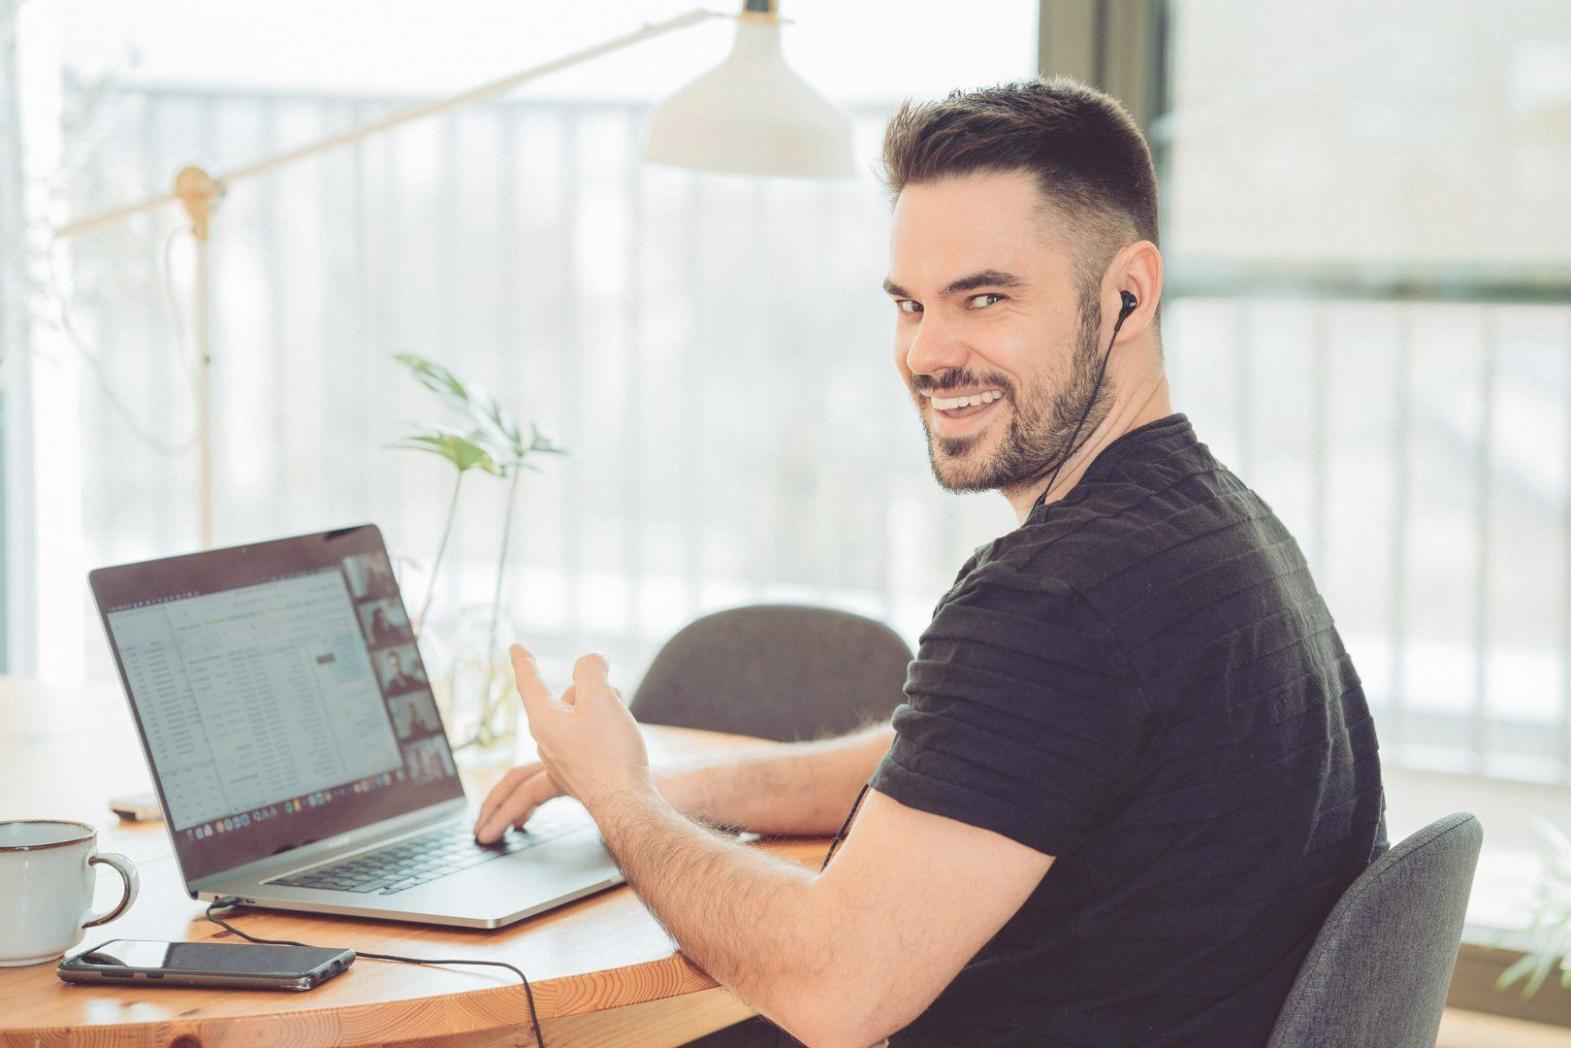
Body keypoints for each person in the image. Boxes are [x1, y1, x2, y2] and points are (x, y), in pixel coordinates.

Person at [475, 77, 1384, 1047]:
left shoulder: (1056, 599)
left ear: (1127, 293)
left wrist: (617, 801)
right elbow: (973, 766)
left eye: (982, 298)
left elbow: (831, 988)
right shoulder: (1213, 528)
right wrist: (670, 789)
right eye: (909, 304)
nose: (927, 352)